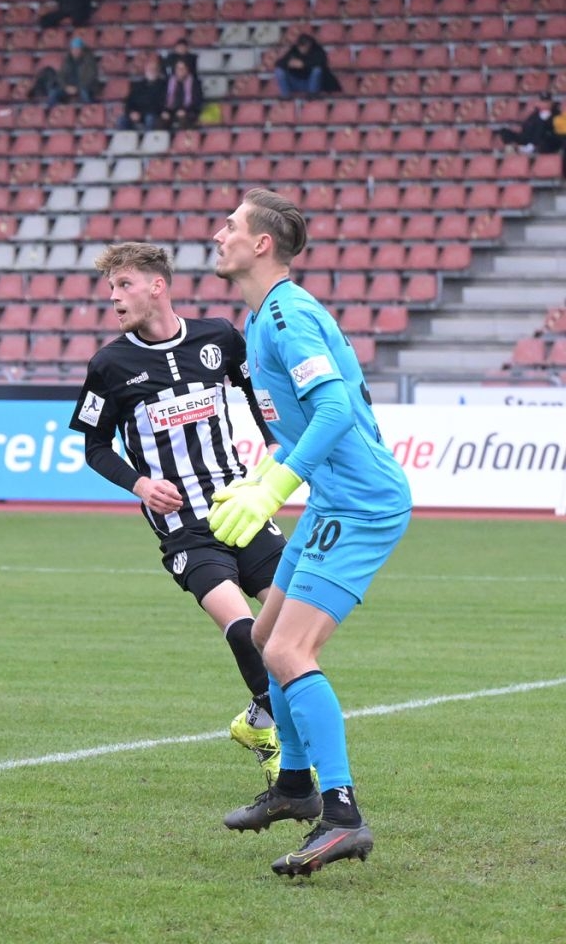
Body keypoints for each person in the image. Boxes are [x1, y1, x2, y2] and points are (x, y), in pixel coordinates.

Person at [209, 189, 414, 876]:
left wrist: (275, 488)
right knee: (265, 638)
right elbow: (302, 428)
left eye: (231, 226)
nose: (219, 235)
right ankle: (294, 785)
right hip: (333, 500)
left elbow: (332, 412)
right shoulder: (263, 316)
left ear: (261, 243)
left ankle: (342, 815)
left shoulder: (287, 316)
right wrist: (259, 477)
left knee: (290, 650)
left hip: (361, 504)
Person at [69, 242, 287, 787]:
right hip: (185, 528)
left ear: (157, 286)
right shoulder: (109, 365)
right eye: (111, 288)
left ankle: (259, 721)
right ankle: (282, 745)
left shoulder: (219, 338)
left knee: (291, 622)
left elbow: (257, 392)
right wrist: (141, 484)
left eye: (124, 285)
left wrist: (272, 446)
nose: (114, 297)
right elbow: (94, 447)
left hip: (239, 507)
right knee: (243, 628)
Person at [273, 32, 333, 96]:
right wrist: (288, 63)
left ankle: (312, 96)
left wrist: (304, 64)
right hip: (296, 83)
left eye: (305, 46)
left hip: (311, 83)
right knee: (279, 71)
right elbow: (278, 63)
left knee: (317, 70)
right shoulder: (294, 50)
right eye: (301, 46)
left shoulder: (317, 50)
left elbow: (322, 62)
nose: (303, 49)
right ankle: (286, 97)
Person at [120, 55, 167, 129]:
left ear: (158, 71)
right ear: (145, 71)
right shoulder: (137, 85)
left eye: (154, 69)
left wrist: (141, 114)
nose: (152, 71)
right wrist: (131, 112)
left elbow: (160, 105)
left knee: (150, 118)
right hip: (137, 114)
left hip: (153, 114)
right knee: (122, 120)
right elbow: (129, 102)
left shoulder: (164, 85)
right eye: (150, 69)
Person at [160, 57, 204, 132]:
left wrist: (185, 110)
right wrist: (165, 111)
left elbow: (197, 101)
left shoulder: (195, 83)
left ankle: (184, 138)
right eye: (178, 68)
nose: (180, 70)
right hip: (171, 111)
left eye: (182, 68)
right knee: (161, 121)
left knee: (184, 120)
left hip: (189, 111)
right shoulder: (168, 82)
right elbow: (162, 99)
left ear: (187, 70)